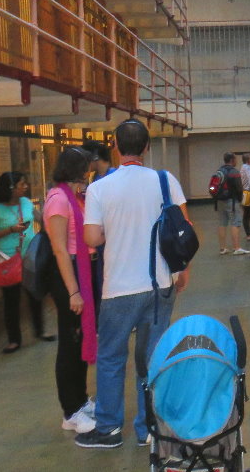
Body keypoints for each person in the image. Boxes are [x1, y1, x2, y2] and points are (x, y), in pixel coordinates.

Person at [75, 119, 192, 449]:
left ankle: (110, 428)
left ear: (114, 146)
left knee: (112, 357)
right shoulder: (164, 180)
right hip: (160, 285)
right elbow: (184, 226)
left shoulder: (100, 187)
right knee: (151, 357)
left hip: (119, 289)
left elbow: (92, 237)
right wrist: (182, 269)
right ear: (146, 148)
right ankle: (148, 428)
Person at [44, 147, 103, 434]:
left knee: (82, 338)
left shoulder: (77, 196)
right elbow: (58, 249)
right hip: (69, 273)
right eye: (85, 167)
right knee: (70, 342)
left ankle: (80, 400)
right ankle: (70, 410)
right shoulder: (58, 200)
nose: (89, 171)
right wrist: (73, 292)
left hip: (85, 269)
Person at [0, 171, 52, 354]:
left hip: (29, 255)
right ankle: (14, 339)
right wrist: (10, 230)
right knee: (11, 300)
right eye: (22, 184)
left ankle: (40, 330)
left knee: (35, 294)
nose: (25, 187)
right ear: (11, 188)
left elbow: (41, 219)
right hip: (7, 257)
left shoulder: (26, 203)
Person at [215, 153, 249, 255]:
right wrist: (241, 201)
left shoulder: (219, 171)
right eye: (235, 159)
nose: (236, 161)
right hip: (232, 201)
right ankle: (236, 247)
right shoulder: (234, 172)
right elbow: (239, 188)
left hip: (220, 200)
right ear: (232, 160)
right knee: (235, 222)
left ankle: (222, 248)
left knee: (222, 223)